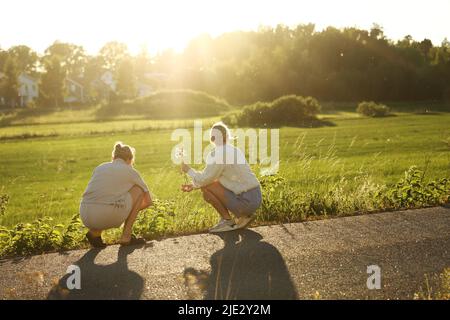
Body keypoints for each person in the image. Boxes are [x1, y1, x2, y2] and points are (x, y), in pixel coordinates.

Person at [181, 122, 262, 233]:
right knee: (211, 183)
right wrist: (193, 185)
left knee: (206, 188)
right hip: (256, 197)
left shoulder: (220, 154)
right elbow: (213, 178)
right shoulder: (234, 149)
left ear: (212, 139)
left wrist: (188, 170)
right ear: (227, 137)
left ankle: (227, 221)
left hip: (246, 201)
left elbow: (205, 180)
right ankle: (244, 216)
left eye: (212, 137)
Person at [80, 142, 152, 247]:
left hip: (85, 215)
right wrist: (129, 210)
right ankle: (126, 236)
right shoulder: (130, 171)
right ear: (129, 159)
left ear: (113, 157)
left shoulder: (100, 167)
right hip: (106, 216)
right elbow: (148, 201)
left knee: (104, 198)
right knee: (138, 190)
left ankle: (94, 233)